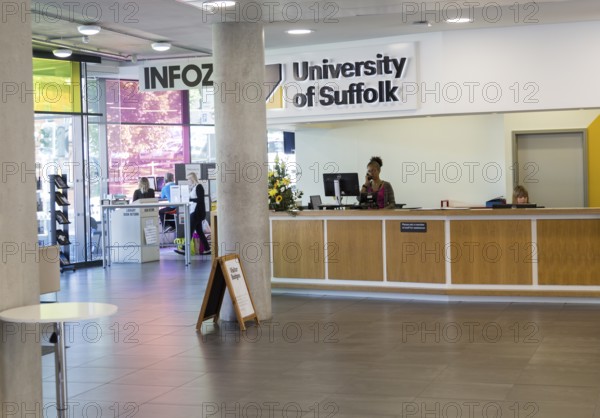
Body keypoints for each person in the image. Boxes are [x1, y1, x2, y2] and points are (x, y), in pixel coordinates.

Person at [176, 172, 210, 255]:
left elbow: (201, 200)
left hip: (197, 212)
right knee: (199, 232)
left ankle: (184, 249)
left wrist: (189, 199)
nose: (188, 181)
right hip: (195, 211)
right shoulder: (194, 187)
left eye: (188, 179)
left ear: (192, 179)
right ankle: (207, 249)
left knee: (190, 230)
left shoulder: (199, 186)